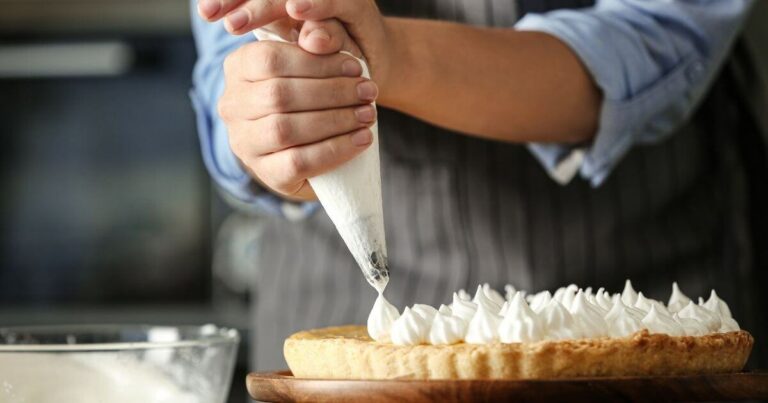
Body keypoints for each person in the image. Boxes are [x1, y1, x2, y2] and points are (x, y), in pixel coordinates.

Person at [190, 0, 766, 371]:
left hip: (631, 309)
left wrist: (390, 56)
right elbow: (228, 58)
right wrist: (272, 124)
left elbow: (660, 35)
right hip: (335, 317)